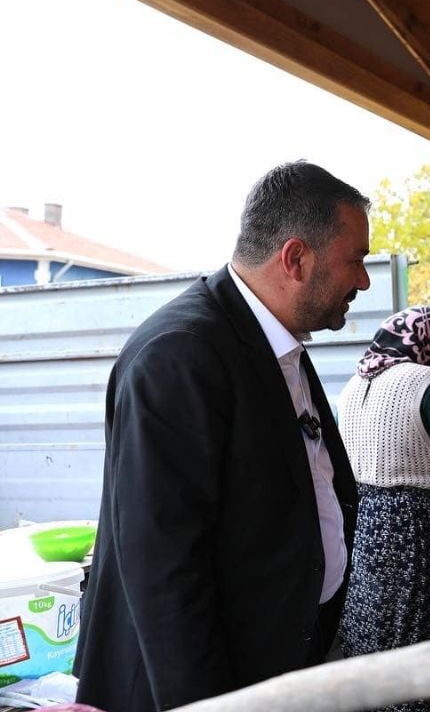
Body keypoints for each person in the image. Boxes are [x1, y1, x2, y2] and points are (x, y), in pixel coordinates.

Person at [75, 161, 371, 711]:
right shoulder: (179, 355)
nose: (363, 280)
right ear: (296, 258)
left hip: (272, 670)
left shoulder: (273, 343)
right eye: (355, 260)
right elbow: (163, 567)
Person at [336, 306, 430, 711]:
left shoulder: (354, 384)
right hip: (416, 529)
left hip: (366, 522)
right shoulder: (425, 381)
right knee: (415, 639)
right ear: (429, 343)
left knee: (375, 637)